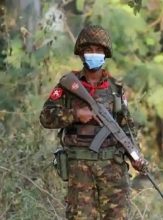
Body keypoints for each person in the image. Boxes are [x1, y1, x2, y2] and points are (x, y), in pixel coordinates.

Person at [40, 25, 147, 219]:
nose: (93, 54)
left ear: (105, 54)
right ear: (81, 53)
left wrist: (135, 154)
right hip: (80, 170)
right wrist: (74, 114)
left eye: (98, 51)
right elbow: (45, 117)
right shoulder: (67, 85)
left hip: (113, 170)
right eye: (89, 50)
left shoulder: (116, 89)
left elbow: (127, 127)